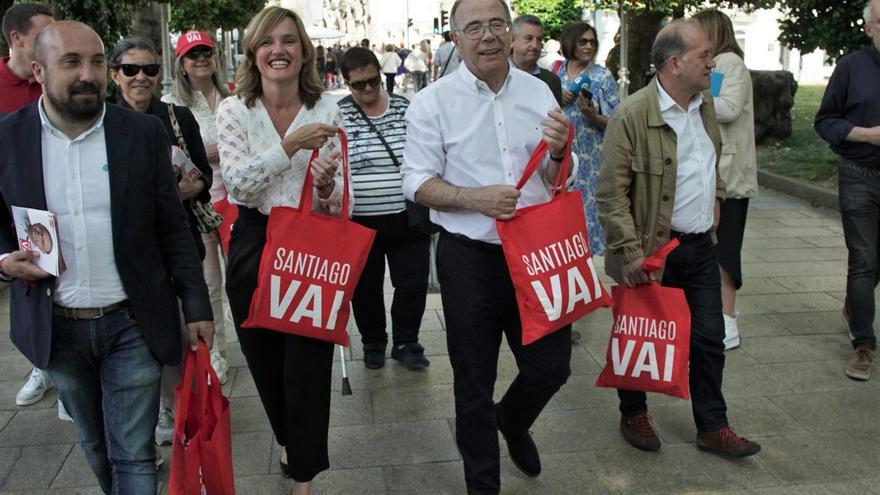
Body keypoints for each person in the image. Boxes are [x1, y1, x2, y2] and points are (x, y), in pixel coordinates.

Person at [0, 21, 214, 493]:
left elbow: (171, 227)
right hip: (56, 327)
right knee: (96, 447)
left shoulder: (140, 134)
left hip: (132, 321)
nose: (88, 74)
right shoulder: (7, 138)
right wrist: (2, 259)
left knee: (134, 454)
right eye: (71, 62)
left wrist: (196, 306)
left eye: (97, 61)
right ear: (38, 70)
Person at [401, 0, 574, 493]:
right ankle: (483, 485)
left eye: (497, 23)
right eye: (473, 27)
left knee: (552, 366)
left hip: (537, 253)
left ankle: (513, 420)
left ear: (511, 31)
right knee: (472, 383)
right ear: (456, 39)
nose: (488, 36)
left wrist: (561, 151)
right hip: (469, 258)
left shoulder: (539, 90)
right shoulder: (432, 102)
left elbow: (556, 176)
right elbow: (415, 181)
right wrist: (473, 198)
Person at [596, 19, 760, 459]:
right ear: (674, 63)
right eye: (704, 56)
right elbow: (610, 194)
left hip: (701, 247)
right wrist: (629, 253)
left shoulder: (703, 104)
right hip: (651, 252)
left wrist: (718, 201)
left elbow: (710, 163)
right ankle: (634, 413)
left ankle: (712, 426)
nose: (713, 62)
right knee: (640, 336)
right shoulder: (631, 115)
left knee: (709, 339)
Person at [215, 7, 347, 495]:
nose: (279, 50)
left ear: (304, 51)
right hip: (253, 240)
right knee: (266, 361)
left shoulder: (327, 109)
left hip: (311, 242)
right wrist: (291, 146)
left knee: (308, 363)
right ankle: (288, 439)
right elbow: (240, 185)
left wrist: (327, 183)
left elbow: (334, 203)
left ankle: (305, 473)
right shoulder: (234, 110)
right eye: (268, 42)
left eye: (289, 40)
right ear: (253, 52)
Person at [108, 35, 215, 453]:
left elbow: (203, 177)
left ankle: (174, 407)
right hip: (127, 251)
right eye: (131, 69)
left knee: (175, 334)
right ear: (114, 75)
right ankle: (145, 417)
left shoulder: (177, 117)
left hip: (177, 243)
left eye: (150, 69)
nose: (141, 78)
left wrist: (191, 189)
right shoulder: (101, 121)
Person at [337, 47, 431, 371]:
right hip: (360, 219)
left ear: (381, 75)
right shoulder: (339, 115)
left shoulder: (405, 107)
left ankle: (406, 341)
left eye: (372, 81)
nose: (366, 89)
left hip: (407, 215)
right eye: (357, 84)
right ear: (346, 83)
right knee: (366, 287)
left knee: (412, 283)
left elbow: (424, 153)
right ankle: (373, 341)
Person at [162, 30, 232, 385]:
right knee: (209, 284)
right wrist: (209, 155)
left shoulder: (233, 95)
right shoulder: (171, 105)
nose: (202, 59)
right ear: (182, 64)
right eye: (194, 55)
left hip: (236, 201)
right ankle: (215, 351)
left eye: (207, 52)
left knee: (243, 279)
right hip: (199, 206)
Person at [815, 0, 880, 380]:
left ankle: (855, 308)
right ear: (869, 28)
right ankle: (864, 346)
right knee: (863, 258)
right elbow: (825, 121)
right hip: (859, 174)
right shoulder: (851, 67)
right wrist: (866, 134)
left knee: (875, 262)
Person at [1, 2, 58, 411]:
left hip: (59, 203)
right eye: (43, 36)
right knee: (29, 286)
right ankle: (41, 362)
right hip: (12, 211)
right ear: (16, 39)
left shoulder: (57, 78)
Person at [693, 9, 757, 351]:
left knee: (726, 251)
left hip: (730, 177)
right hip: (718, 173)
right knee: (714, 248)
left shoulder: (729, 63)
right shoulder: (720, 63)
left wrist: (691, 93)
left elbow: (728, 107)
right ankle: (719, 317)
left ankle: (728, 317)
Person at [552, 21, 619, 257]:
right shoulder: (555, 72)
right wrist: (559, 99)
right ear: (570, 43)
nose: (589, 46)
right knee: (561, 224)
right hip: (560, 160)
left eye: (592, 42)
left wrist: (591, 115)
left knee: (588, 224)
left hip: (592, 164)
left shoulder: (602, 76)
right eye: (583, 41)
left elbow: (617, 123)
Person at [510, 14, 562, 106]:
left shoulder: (552, 81)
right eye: (528, 38)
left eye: (539, 39)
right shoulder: (494, 77)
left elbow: (555, 118)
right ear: (512, 40)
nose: (534, 45)